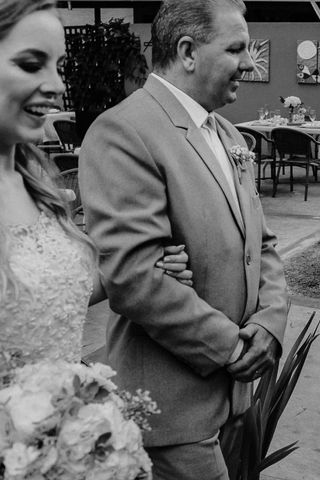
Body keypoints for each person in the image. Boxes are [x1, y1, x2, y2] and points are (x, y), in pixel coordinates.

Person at [78, 0, 288, 478]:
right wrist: (232, 350)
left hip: (236, 399)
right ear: (188, 51)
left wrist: (270, 325)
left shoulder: (230, 134)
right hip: (174, 409)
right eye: (236, 49)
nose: (250, 63)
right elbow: (134, 277)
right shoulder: (124, 131)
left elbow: (265, 244)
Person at [0, 0, 191, 369]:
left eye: (59, 68)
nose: (57, 86)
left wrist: (150, 266)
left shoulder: (37, 184)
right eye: (30, 65)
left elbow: (56, 293)